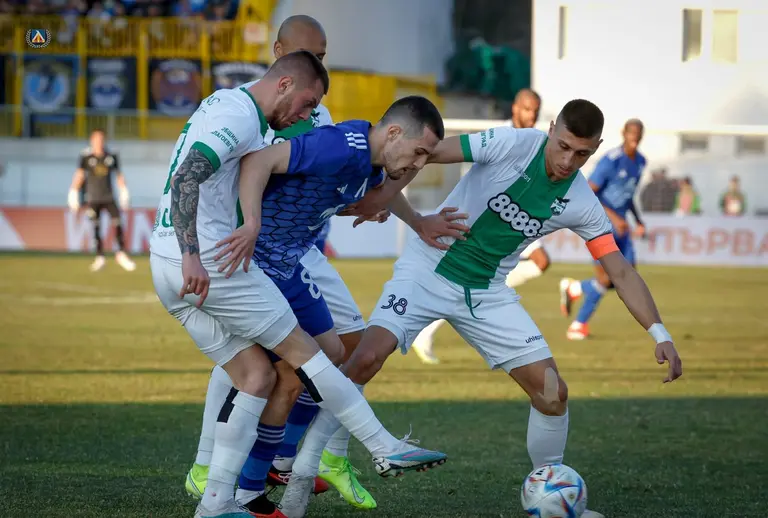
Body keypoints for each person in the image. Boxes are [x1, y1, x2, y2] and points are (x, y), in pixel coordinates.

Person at [278, 100, 684, 518]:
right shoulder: (513, 144)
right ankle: (313, 466)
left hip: (487, 292)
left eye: (580, 154)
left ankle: (550, 492)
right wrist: (385, 195)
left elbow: (619, 269)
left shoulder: (581, 201)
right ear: (551, 129)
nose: (567, 161)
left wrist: (660, 333)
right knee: (364, 358)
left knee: (552, 393)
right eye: (562, 146)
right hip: (428, 267)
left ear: (595, 149)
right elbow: (429, 150)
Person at [150, 51, 446, 518]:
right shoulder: (316, 136)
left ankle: (221, 499)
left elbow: (335, 195)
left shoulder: (355, 159)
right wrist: (225, 236)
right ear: (286, 81)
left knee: (266, 373)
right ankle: (380, 446)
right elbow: (211, 171)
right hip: (224, 258)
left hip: (207, 259)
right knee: (306, 357)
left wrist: (391, 209)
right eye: (309, 103)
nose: (310, 116)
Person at [182, 15, 377, 513]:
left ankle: (288, 455)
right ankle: (211, 465)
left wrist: (376, 206)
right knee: (253, 356)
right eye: (307, 53)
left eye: (323, 55)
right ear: (278, 52)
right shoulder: (247, 108)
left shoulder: (320, 113)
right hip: (259, 244)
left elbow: (333, 179)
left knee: (348, 345)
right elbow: (224, 171)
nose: (316, 62)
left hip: (303, 248)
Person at [410, 87, 552, 365]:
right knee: (472, 278)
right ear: (515, 108)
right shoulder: (500, 135)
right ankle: (429, 326)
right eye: (527, 109)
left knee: (537, 263)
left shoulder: (537, 142)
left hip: (516, 215)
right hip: (489, 215)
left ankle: (464, 303)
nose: (531, 116)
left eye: (535, 111)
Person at [559, 118, 647, 340]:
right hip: (601, 224)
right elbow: (589, 191)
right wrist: (614, 217)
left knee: (625, 279)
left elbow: (628, 195)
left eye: (638, 133)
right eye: (631, 132)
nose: (635, 137)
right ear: (624, 133)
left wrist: (638, 220)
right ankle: (578, 325)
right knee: (607, 278)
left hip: (621, 228)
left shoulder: (640, 162)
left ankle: (575, 289)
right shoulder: (611, 161)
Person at [67, 129, 136, 272]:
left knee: (118, 223)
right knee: (96, 227)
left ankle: (121, 253)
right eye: (96, 140)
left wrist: (124, 191)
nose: (98, 142)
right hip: (93, 197)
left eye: (101, 139)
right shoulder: (86, 156)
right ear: (92, 141)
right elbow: (79, 175)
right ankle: (100, 257)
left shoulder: (111, 156)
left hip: (109, 196)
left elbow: (119, 175)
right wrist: (73, 192)